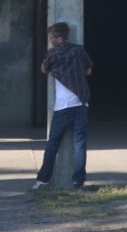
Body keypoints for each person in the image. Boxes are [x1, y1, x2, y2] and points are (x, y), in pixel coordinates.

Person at [32, 22, 93, 191]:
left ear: (59, 39)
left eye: (51, 38)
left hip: (63, 105)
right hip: (81, 103)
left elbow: (44, 69)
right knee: (80, 142)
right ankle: (78, 181)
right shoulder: (79, 50)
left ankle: (43, 179)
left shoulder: (53, 54)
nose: (50, 41)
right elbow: (88, 71)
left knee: (53, 143)